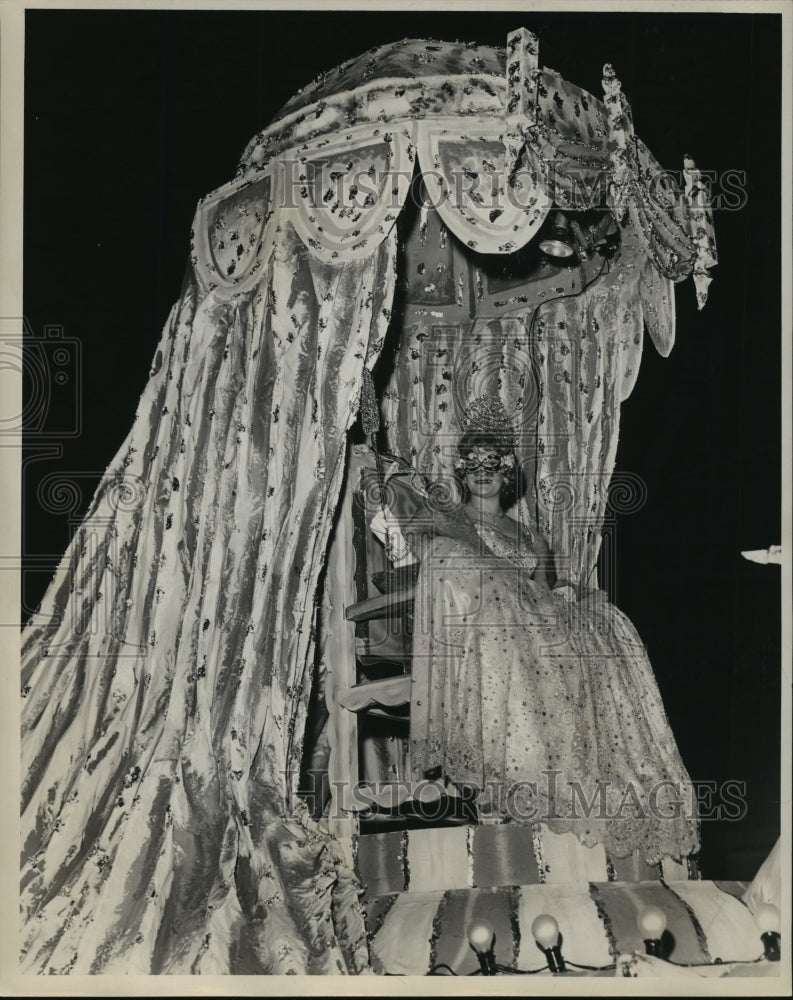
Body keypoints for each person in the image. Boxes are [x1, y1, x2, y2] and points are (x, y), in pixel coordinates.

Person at [370, 397, 699, 866]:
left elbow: (544, 592)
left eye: (495, 463)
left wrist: (575, 596)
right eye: (474, 462)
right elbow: (421, 568)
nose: (484, 470)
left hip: (535, 630)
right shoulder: (447, 521)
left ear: (508, 474)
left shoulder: (531, 538)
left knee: (607, 624)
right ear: (463, 471)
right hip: (480, 632)